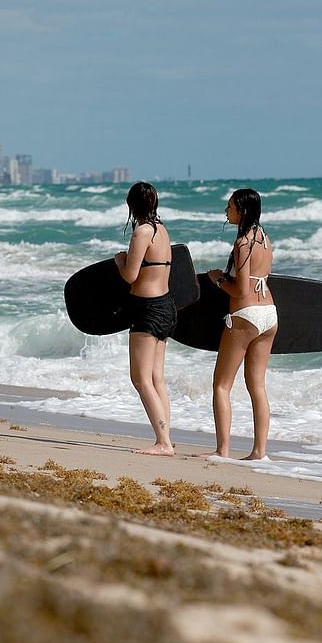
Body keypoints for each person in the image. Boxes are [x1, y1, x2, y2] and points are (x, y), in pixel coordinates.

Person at [199, 187, 277, 461]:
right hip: (269, 315)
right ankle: (260, 452)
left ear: (241, 210)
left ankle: (222, 450)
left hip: (245, 316)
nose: (226, 211)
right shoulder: (265, 239)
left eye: (229, 206)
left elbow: (241, 291)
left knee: (221, 385)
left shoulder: (243, 243)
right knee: (257, 386)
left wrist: (218, 279)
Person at [114, 181, 176, 456]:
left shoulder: (141, 232)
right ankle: (166, 438)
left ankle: (163, 443)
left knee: (140, 379)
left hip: (147, 309)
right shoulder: (161, 230)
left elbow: (130, 275)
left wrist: (120, 261)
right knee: (156, 378)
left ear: (132, 206)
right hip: (166, 306)